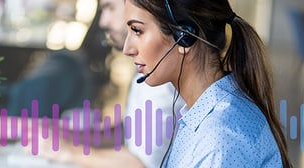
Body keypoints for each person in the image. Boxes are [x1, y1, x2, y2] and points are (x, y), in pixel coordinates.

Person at [122, 0, 290, 167]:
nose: (127, 49)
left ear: (184, 36)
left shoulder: (220, 140)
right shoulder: (204, 117)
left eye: (137, 31)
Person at [26, 0, 185, 167]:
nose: (103, 22)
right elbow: (130, 133)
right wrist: (67, 136)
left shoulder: (160, 77)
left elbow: (141, 164)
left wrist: (68, 151)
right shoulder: (147, 67)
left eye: (110, 8)